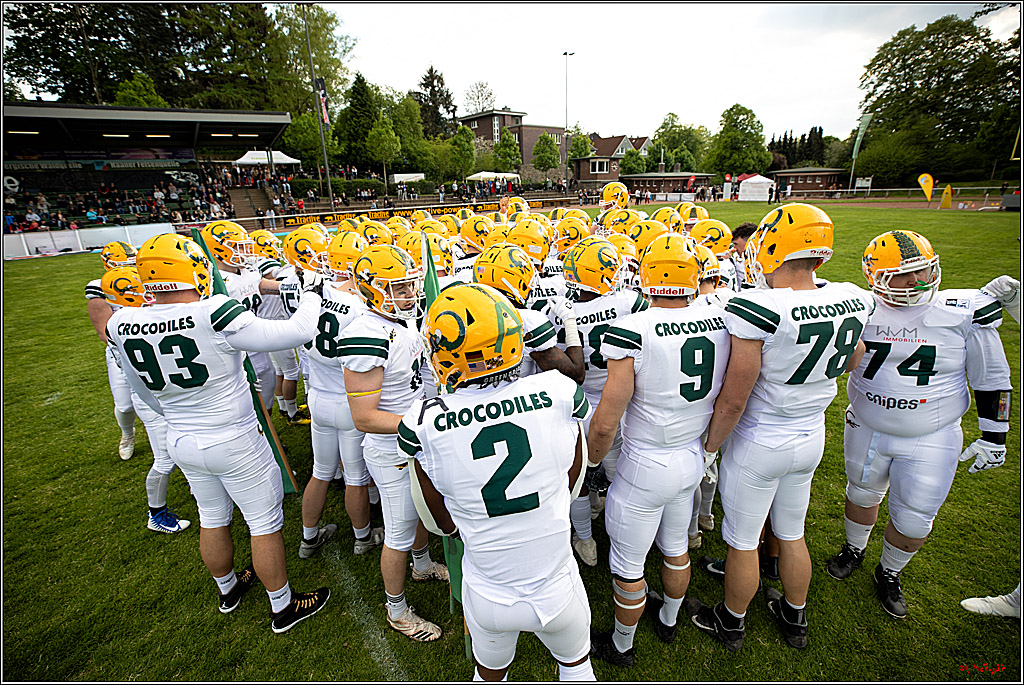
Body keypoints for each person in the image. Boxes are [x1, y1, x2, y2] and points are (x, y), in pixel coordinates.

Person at [106, 232, 330, 633]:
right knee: (263, 523)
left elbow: (144, 393)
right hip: (233, 437)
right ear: (193, 268)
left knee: (212, 516)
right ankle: (282, 606)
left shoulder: (121, 321)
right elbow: (295, 333)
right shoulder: (212, 311)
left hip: (181, 437)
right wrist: (312, 293)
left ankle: (227, 589)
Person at [690, 204, 874, 652]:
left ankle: (730, 621)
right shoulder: (849, 295)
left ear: (773, 247)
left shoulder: (758, 306)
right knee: (792, 531)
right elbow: (855, 356)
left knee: (742, 541)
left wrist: (711, 445)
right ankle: (795, 617)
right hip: (811, 434)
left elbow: (735, 397)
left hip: (761, 438)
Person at [400, 283, 596, 681]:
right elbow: (576, 471)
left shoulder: (422, 421)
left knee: (489, 675)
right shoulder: (558, 390)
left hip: (488, 589)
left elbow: (435, 514)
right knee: (576, 668)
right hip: (556, 584)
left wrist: (461, 528)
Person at [824, 230, 1011, 619]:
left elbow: (992, 377)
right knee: (860, 494)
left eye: (923, 271)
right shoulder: (856, 307)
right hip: (867, 425)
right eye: (902, 275)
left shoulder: (963, 310)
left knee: (914, 516)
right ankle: (855, 548)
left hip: (933, 434)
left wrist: (995, 435)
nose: (916, 282)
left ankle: (889, 571)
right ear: (873, 277)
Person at [588, 234, 729, 667]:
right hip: (691, 453)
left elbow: (609, 416)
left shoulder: (632, 330)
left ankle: (623, 644)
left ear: (645, 276)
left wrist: (591, 461)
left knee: (629, 562)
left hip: (645, 462)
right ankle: (668, 619)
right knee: (675, 546)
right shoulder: (722, 321)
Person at [338, 244, 447, 642]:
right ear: (370, 289)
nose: (408, 293)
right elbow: (364, 417)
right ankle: (396, 610)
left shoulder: (397, 321)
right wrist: (429, 421)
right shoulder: (365, 333)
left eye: (408, 285)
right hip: (393, 449)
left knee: (420, 514)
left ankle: (421, 564)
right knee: (399, 529)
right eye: (397, 287)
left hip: (417, 436)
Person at [559, 237, 650, 566]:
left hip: (582, 406)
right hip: (622, 400)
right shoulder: (629, 301)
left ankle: (586, 541)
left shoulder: (565, 313)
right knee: (621, 475)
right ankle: (622, 533)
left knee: (579, 479)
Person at [100, 266, 191, 534]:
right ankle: (156, 514)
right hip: (154, 397)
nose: (147, 292)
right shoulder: (123, 325)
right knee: (165, 458)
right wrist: (162, 408)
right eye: (139, 288)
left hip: (167, 393)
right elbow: (137, 380)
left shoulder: (130, 318)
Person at [87, 241, 142, 460]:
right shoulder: (99, 286)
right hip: (122, 352)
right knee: (126, 405)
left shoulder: (144, 279)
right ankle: (127, 433)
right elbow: (104, 332)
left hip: (153, 345)